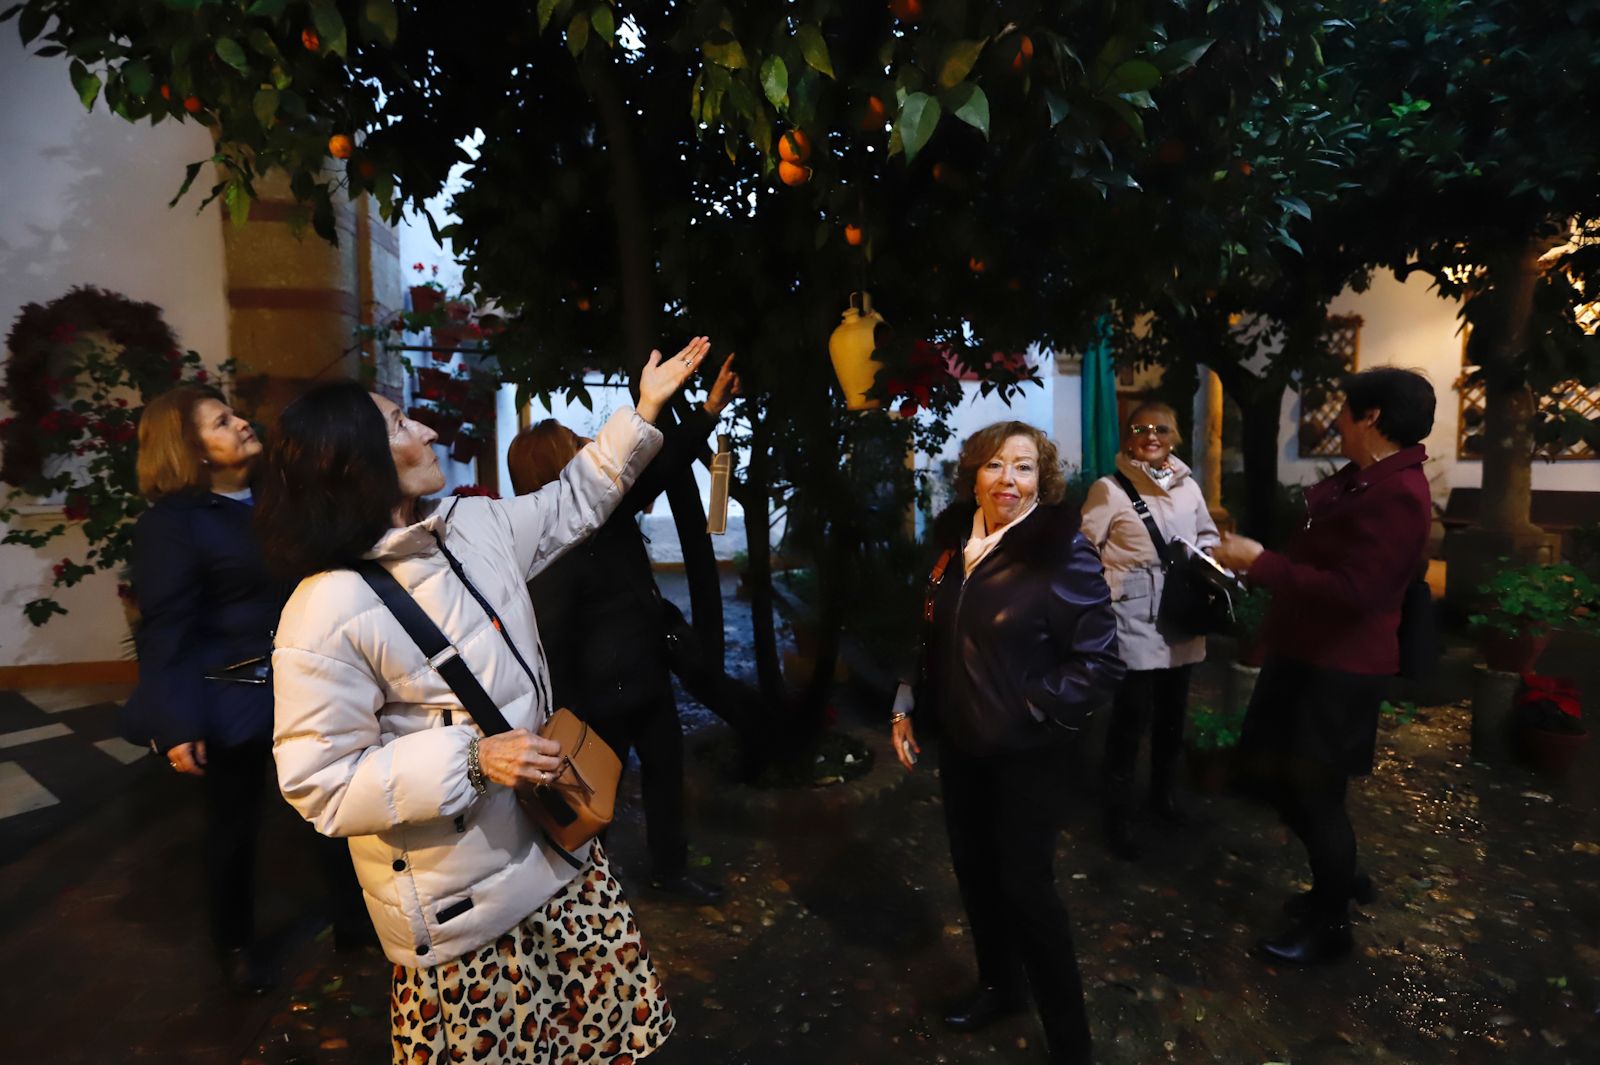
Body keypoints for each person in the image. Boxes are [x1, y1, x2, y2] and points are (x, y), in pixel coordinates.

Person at [256, 339, 708, 1064]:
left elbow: (573, 499)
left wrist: (644, 409)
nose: (426, 429)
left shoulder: (471, 526)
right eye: (400, 423)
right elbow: (321, 782)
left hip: (559, 856)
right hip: (464, 912)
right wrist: (470, 759)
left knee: (608, 1045)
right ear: (354, 465)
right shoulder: (325, 609)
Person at [891, 421, 1124, 1065]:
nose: (1008, 480)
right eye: (994, 465)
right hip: (961, 746)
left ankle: (1071, 1042)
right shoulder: (952, 546)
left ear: (1041, 481)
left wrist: (1026, 706)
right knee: (974, 873)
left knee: (1027, 892)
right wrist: (906, 698)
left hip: (1027, 754)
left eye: (1024, 467)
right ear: (974, 477)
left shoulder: (1060, 551)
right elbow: (930, 629)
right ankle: (1000, 987)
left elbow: (1101, 661)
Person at [124, 384, 364, 995]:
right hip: (232, 696)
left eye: (234, 414)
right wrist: (178, 722)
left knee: (337, 805)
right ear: (190, 450)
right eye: (220, 422)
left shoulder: (277, 498)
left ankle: (355, 925)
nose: (240, 424)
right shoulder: (172, 525)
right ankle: (233, 947)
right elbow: (167, 628)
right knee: (233, 828)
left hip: (307, 680)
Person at [1212, 367, 1435, 966]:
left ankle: (1332, 923)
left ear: (1372, 417)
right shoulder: (1365, 480)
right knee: (1287, 784)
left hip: (1339, 668)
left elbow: (1356, 592)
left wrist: (1261, 563)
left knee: (1313, 796)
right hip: (1306, 652)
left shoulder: (1398, 494)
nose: (1335, 419)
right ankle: (1335, 881)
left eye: (1344, 410)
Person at [508, 353, 746, 904]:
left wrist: (709, 410)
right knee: (594, 794)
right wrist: (561, 714)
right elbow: (551, 640)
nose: (591, 448)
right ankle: (590, 894)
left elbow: (661, 464)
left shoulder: (607, 511)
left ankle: (670, 871)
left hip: (647, 677)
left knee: (666, 774)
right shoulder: (545, 548)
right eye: (577, 446)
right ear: (556, 467)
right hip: (597, 700)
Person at [1079, 402, 1220, 861]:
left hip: (1181, 611)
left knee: (1172, 716)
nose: (1151, 436)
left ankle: (1163, 797)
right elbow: (1083, 549)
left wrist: (1202, 559)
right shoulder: (1109, 489)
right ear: (1128, 437)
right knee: (1129, 720)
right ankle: (1117, 816)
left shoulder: (1188, 487)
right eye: (1141, 429)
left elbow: (1208, 534)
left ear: (1174, 435)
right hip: (1133, 617)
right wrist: (1102, 594)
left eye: (1161, 428)